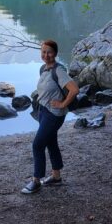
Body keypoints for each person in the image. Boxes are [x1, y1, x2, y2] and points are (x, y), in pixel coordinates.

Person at [21, 39, 79, 194]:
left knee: (37, 145)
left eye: (49, 52)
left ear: (55, 53)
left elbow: (74, 90)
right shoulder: (43, 69)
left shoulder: (58, 71)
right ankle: (56, 177)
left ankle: (36, 180)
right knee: (51, 143)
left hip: (54, 115)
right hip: (44, 112)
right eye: (43, 52)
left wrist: (62, 104)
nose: (46, 55)